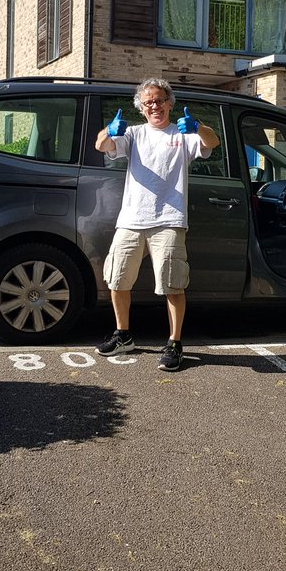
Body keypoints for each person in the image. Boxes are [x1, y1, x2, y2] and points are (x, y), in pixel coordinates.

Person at [94, 78, 220, 372]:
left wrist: (199, 127)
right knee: (117, 278)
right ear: (141, 108)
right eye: (149, 102)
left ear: (169, 104)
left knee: (172, 284)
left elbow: (212, 142)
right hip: (132, 219)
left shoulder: (182, 133)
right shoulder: (134, 134)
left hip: (169, 220)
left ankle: (175, 343)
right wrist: (108, 132)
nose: (155, 106)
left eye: (160, 100)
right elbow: (102, 145)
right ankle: (123, 334)